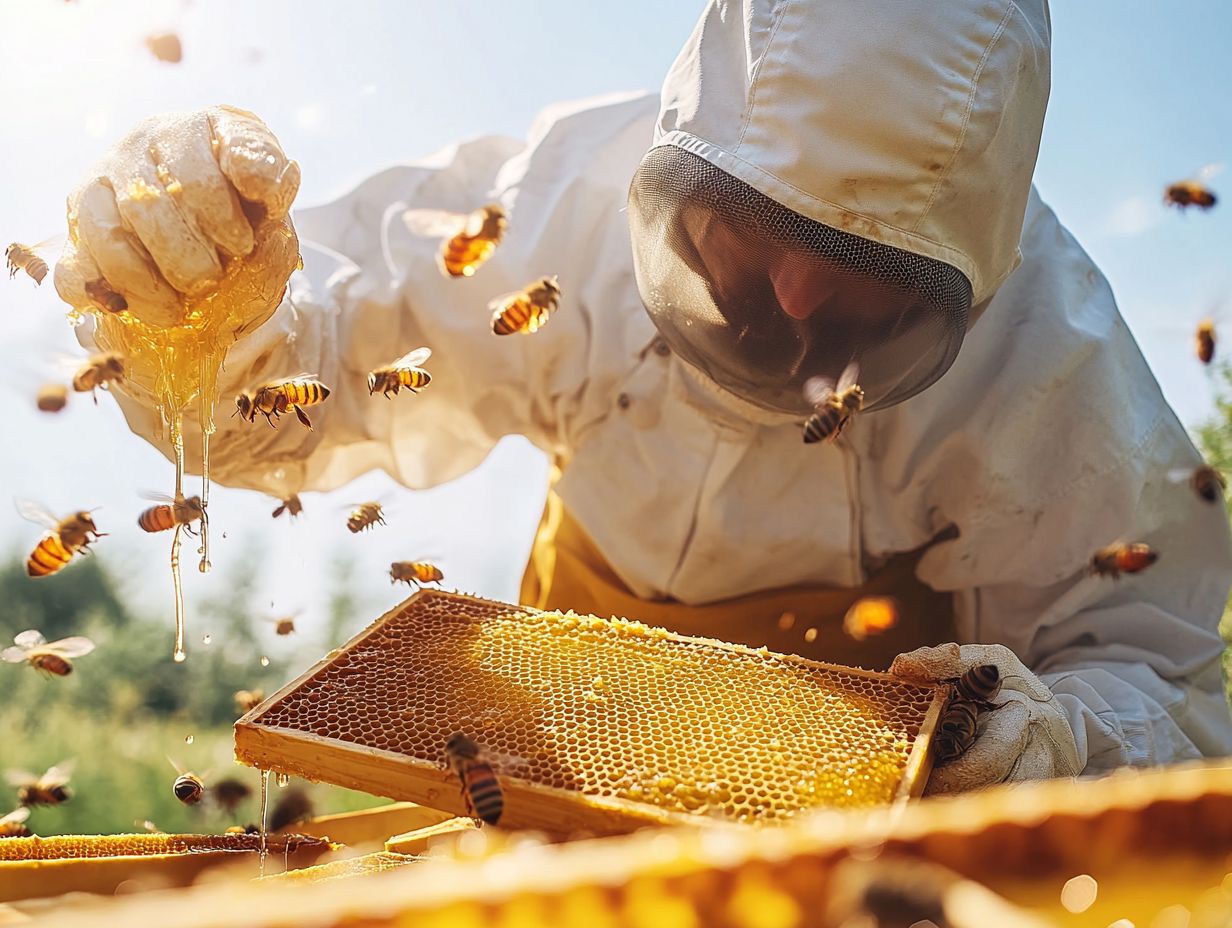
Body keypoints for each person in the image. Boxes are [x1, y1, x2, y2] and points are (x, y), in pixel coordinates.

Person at [55, 0, 1232, 794]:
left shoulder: (1046, 354)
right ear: (691, 154)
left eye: (861, 294)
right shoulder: (559, 200)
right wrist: (203, 303)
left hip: (843, 874)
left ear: (965, 279)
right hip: (530, 794)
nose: (784, 303)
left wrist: (1052, 741)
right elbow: (301, 383)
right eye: (746, 236)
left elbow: (1166, 684)